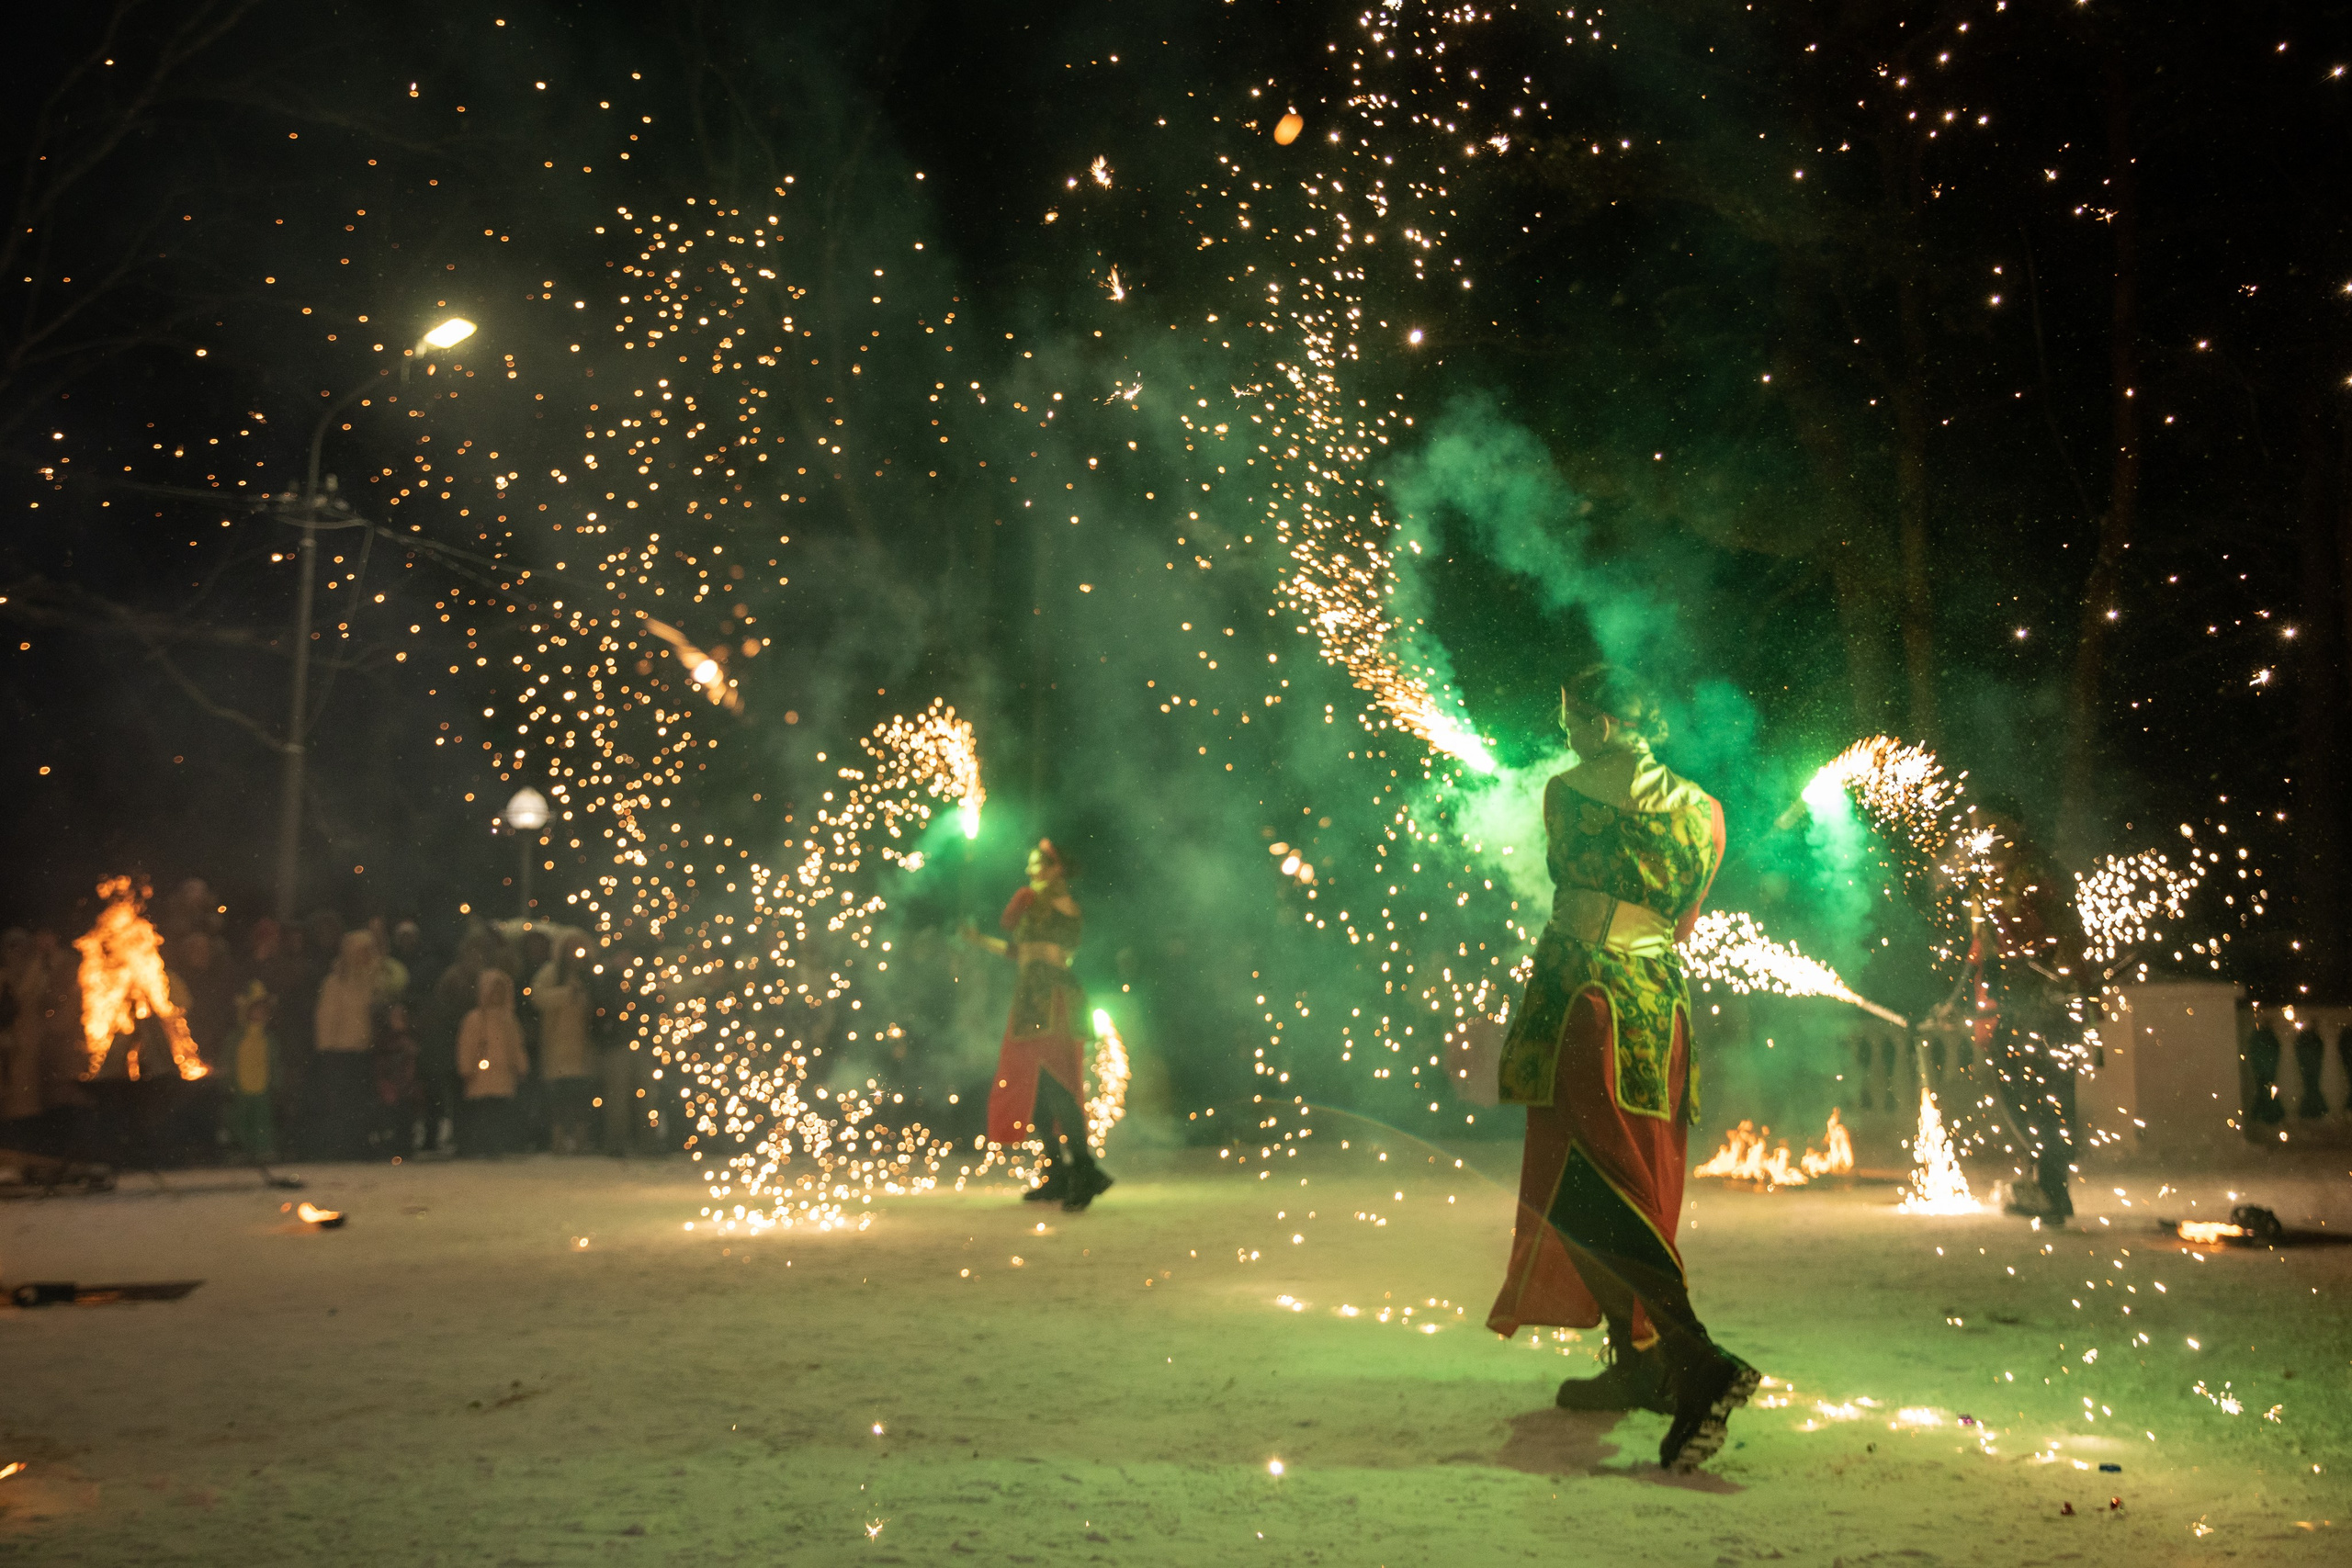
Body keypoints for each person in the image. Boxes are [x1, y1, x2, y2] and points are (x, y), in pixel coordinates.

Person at [1485, 665, 1752, 1473]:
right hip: (1658, 1008)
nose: (1565, 732)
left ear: (1600, 722)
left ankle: (1696, 1358)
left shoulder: (1566, 794)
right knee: (1637, 1179)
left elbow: (1568, 874)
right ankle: (1635, 1362)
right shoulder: (1707, 812)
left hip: (1584, 1004)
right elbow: (1687, 919)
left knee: (1585, 1180)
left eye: (1571, 716)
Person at [963, 840, 1112, 1212]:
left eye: (1038, 866)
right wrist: (980, 940)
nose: (1030, 872)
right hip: (1030, 999)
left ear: (1055, 870)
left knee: (1059, 1083)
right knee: (1037, 1087)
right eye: (1029, 866)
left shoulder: (1058, 899)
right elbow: (1021, 953)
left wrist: (1042, 892)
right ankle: (1057, 1171)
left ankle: (1085, 1169)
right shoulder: (1035, 903)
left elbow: (1066, 925)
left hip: (1055, 999)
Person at [1961, 801, 2084, 1224]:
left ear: (2014, 828)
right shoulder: (1994, 880)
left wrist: (2061, 984)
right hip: (2016, 999)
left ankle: (2051, 1189)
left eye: (1989, 827)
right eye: (1978, 828)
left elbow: (2061, 932)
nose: (1981, 836)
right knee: (2020, 1090)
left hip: (2046, 999)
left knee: (2046, 1095)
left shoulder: (2036, 872)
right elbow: (1983, 950)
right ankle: (2045, 1183)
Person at [312, 928, 392, 1158]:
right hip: (340, 1052)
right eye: (361, 952)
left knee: (361, 1102)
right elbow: (327, 1017)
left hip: (365, 1051)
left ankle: (359, 1144)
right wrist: (326, 1048)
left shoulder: (371, 982)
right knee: (342, 1102)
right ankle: (342, 1146)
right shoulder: (335, 983)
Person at [533, 938, 597, 1154]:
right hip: (557, 1045)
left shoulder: (589, 973)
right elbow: (538, 997)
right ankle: (558, 1141)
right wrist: (566, 994)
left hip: (583, 1047)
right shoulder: (551, 972)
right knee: (559, 1098)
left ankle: (580, 1141)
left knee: (580, 1097)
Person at [458, 968, 531, 1156]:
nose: (496, 995)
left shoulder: (508, 1020)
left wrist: (521, 1066)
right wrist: (466, 1068)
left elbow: (516, 1045)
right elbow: (467, 1045)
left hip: (503, 1074)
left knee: (500, 1113)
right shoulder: (474, 1019)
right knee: (483, 1113)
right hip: (480, 1075)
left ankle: (497, 1146)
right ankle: (482, 1146)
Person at [226, 979, 278, 1160]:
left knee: (262, 1120)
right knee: (241, 1120)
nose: (260, 1014)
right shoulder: (236, 1039)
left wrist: (276, 1081)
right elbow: (228, 1061)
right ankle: (242, 1150)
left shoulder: (268, 1039)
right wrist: (227, 1082)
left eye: (264, 1011)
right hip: (241, 1086)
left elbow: (274, 1062)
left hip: (261, 1086)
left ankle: (263, 1149)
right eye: (256, 1010)